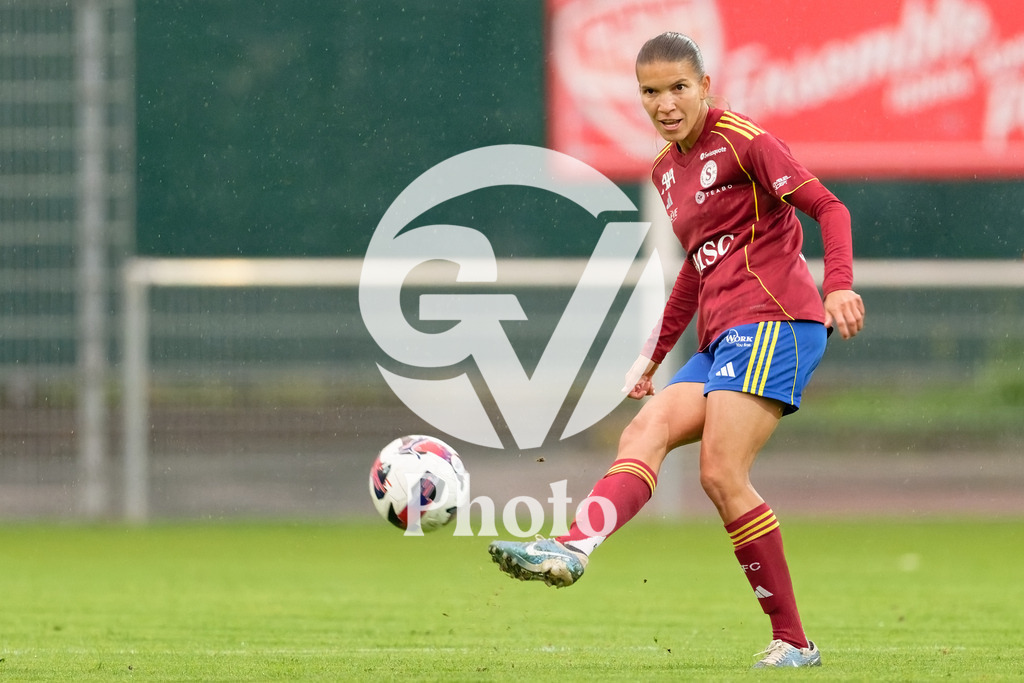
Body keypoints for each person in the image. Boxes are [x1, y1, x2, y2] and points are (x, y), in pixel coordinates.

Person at [488, 32, 865, 669]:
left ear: (705, 86)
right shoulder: (666, 169)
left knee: (720, 472)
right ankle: (573, 547)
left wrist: (841, 285)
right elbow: (696, 265)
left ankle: (795, 642)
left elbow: (830, 207)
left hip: (775, 320)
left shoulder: (745, 141)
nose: (665, 103)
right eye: (650, 91)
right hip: (724, 336)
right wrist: (654, 354)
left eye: (678, 88)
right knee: (646, 429)